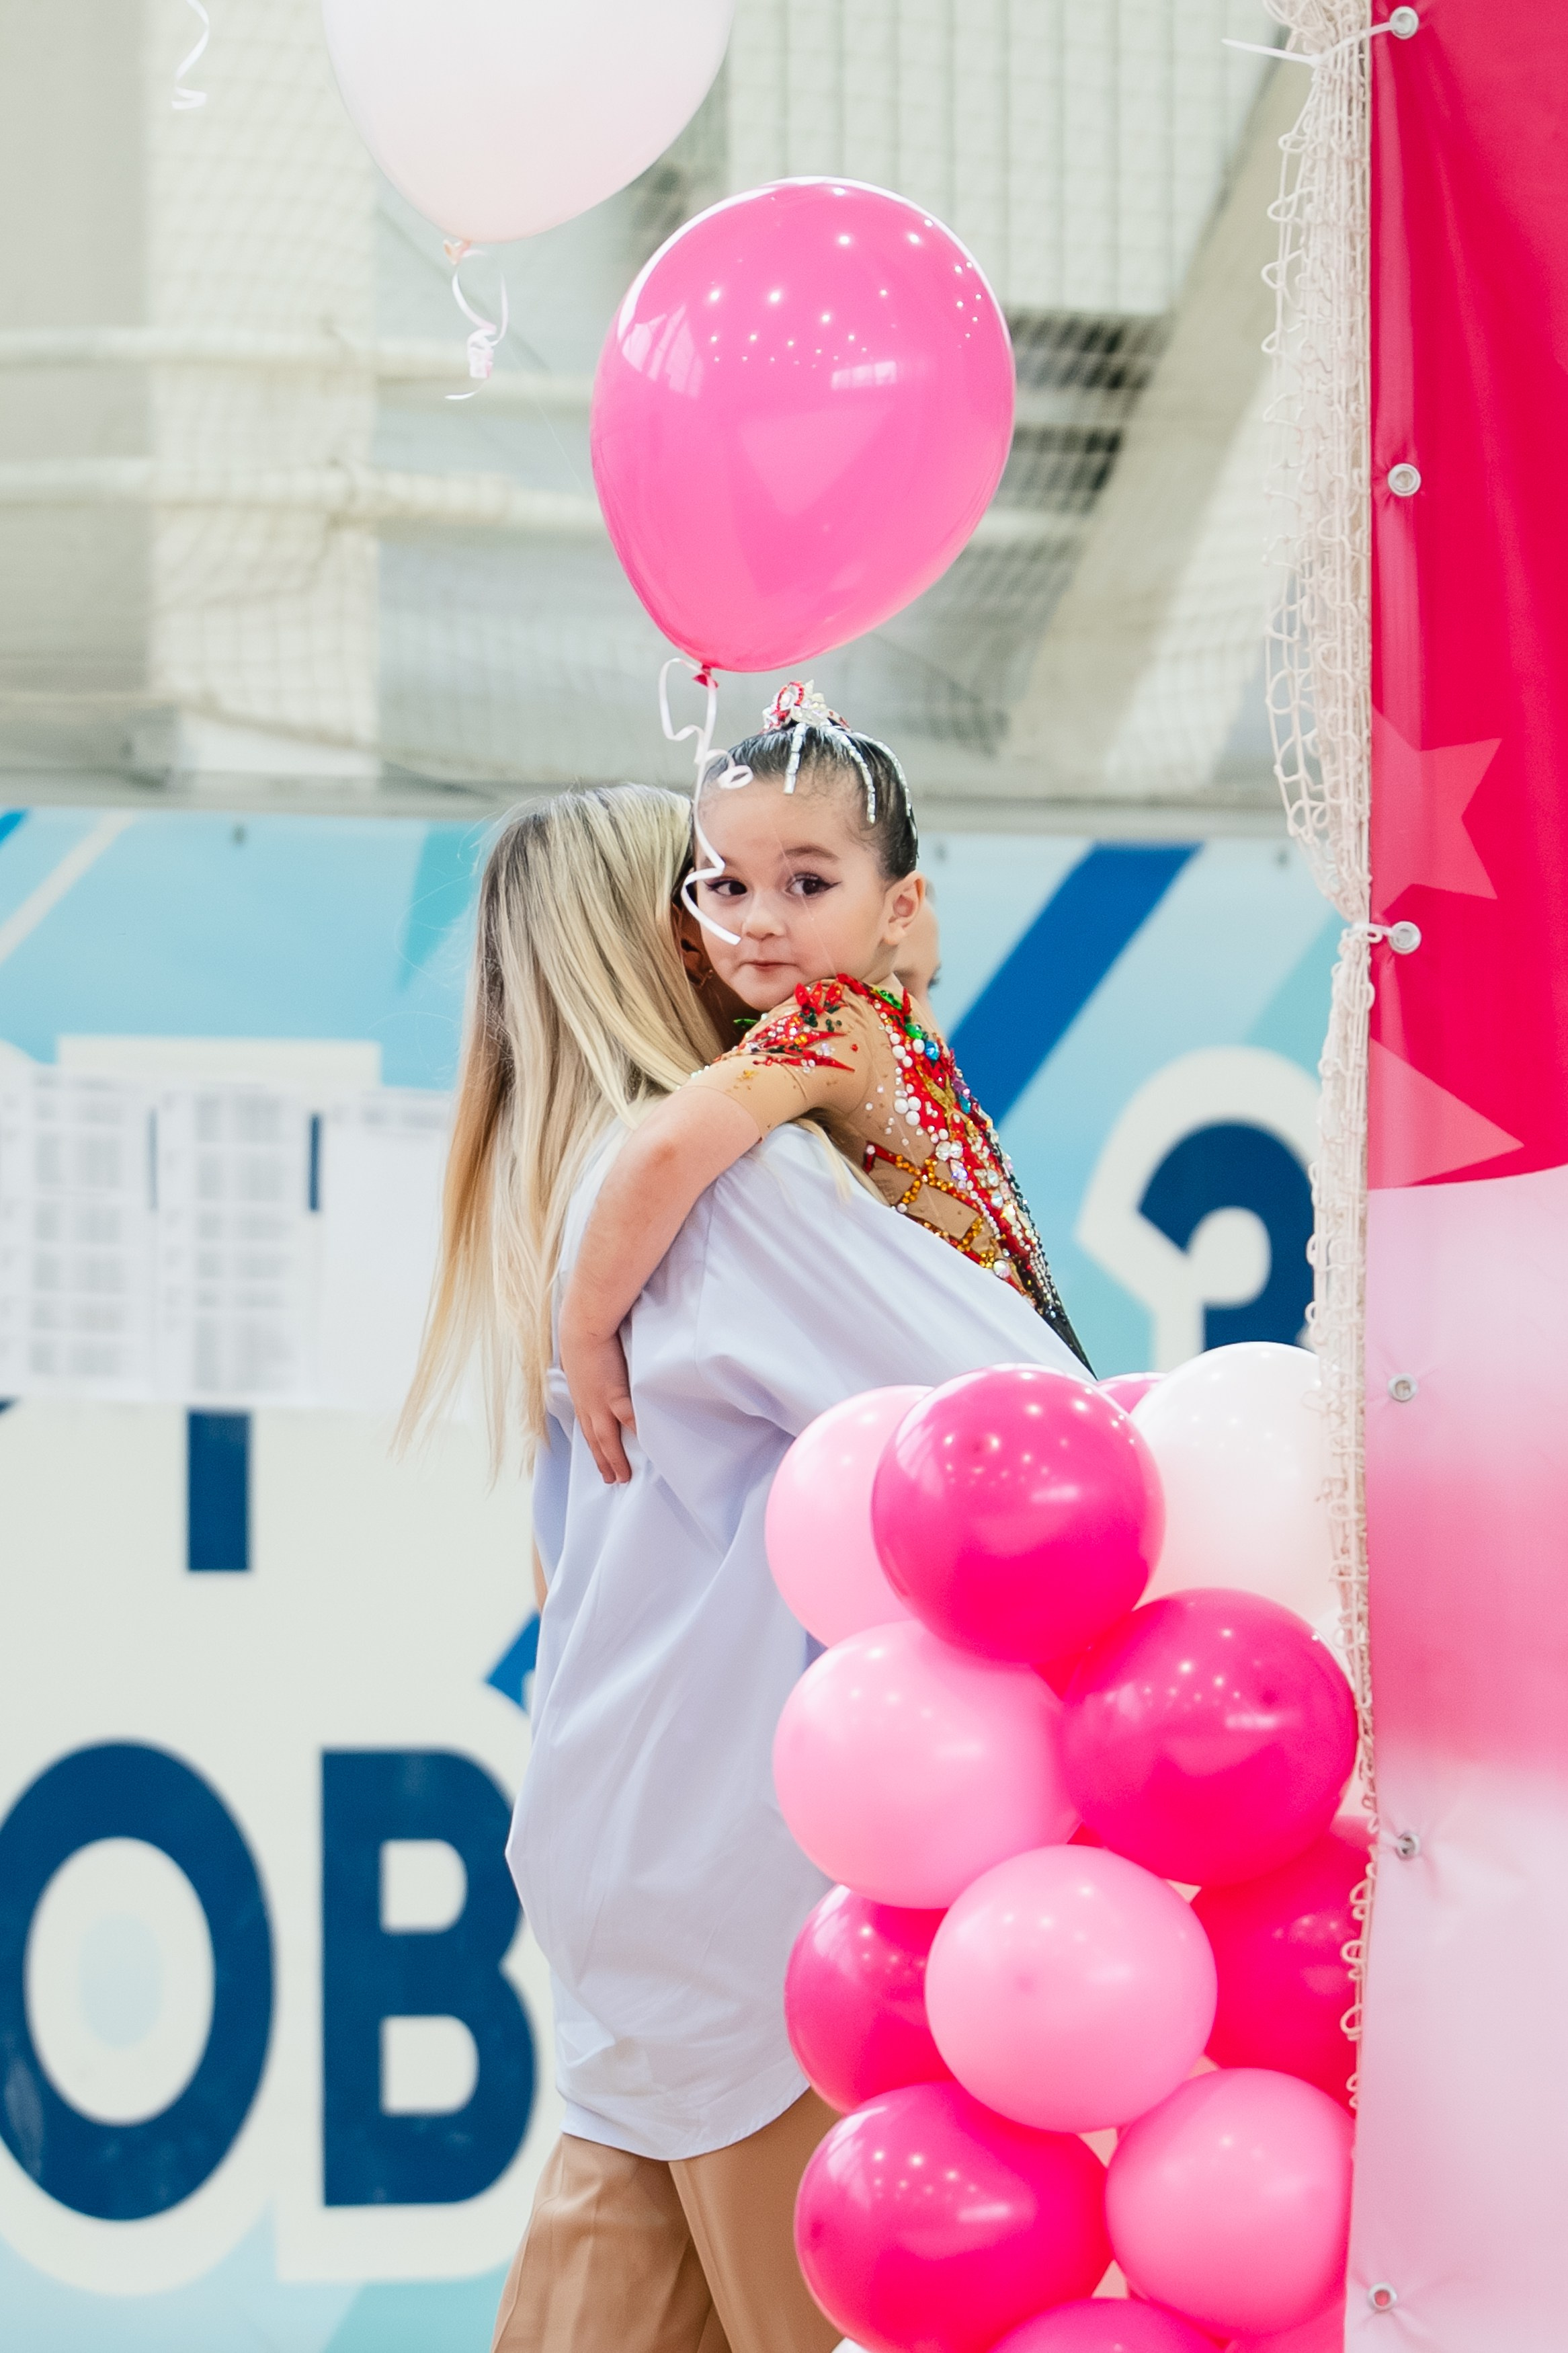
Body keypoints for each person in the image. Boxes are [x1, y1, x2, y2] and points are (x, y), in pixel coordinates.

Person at [404, 779, 1087, 2353]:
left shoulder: (567, 1204)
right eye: (717, 891)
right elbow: (1029, 1425)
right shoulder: (732, 1193)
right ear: (673, 934)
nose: (760, 925)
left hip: (624, 1862)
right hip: (764, 1892)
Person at [563, 684, 1088, 1483]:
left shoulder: (828, 1019)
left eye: (805, 884)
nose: (760, 921)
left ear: (899, 905)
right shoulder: (889, 1019)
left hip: (1000, 1416)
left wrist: (586, 1330)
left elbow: (668, 1149)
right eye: (726, 886)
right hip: (1025, 1378)